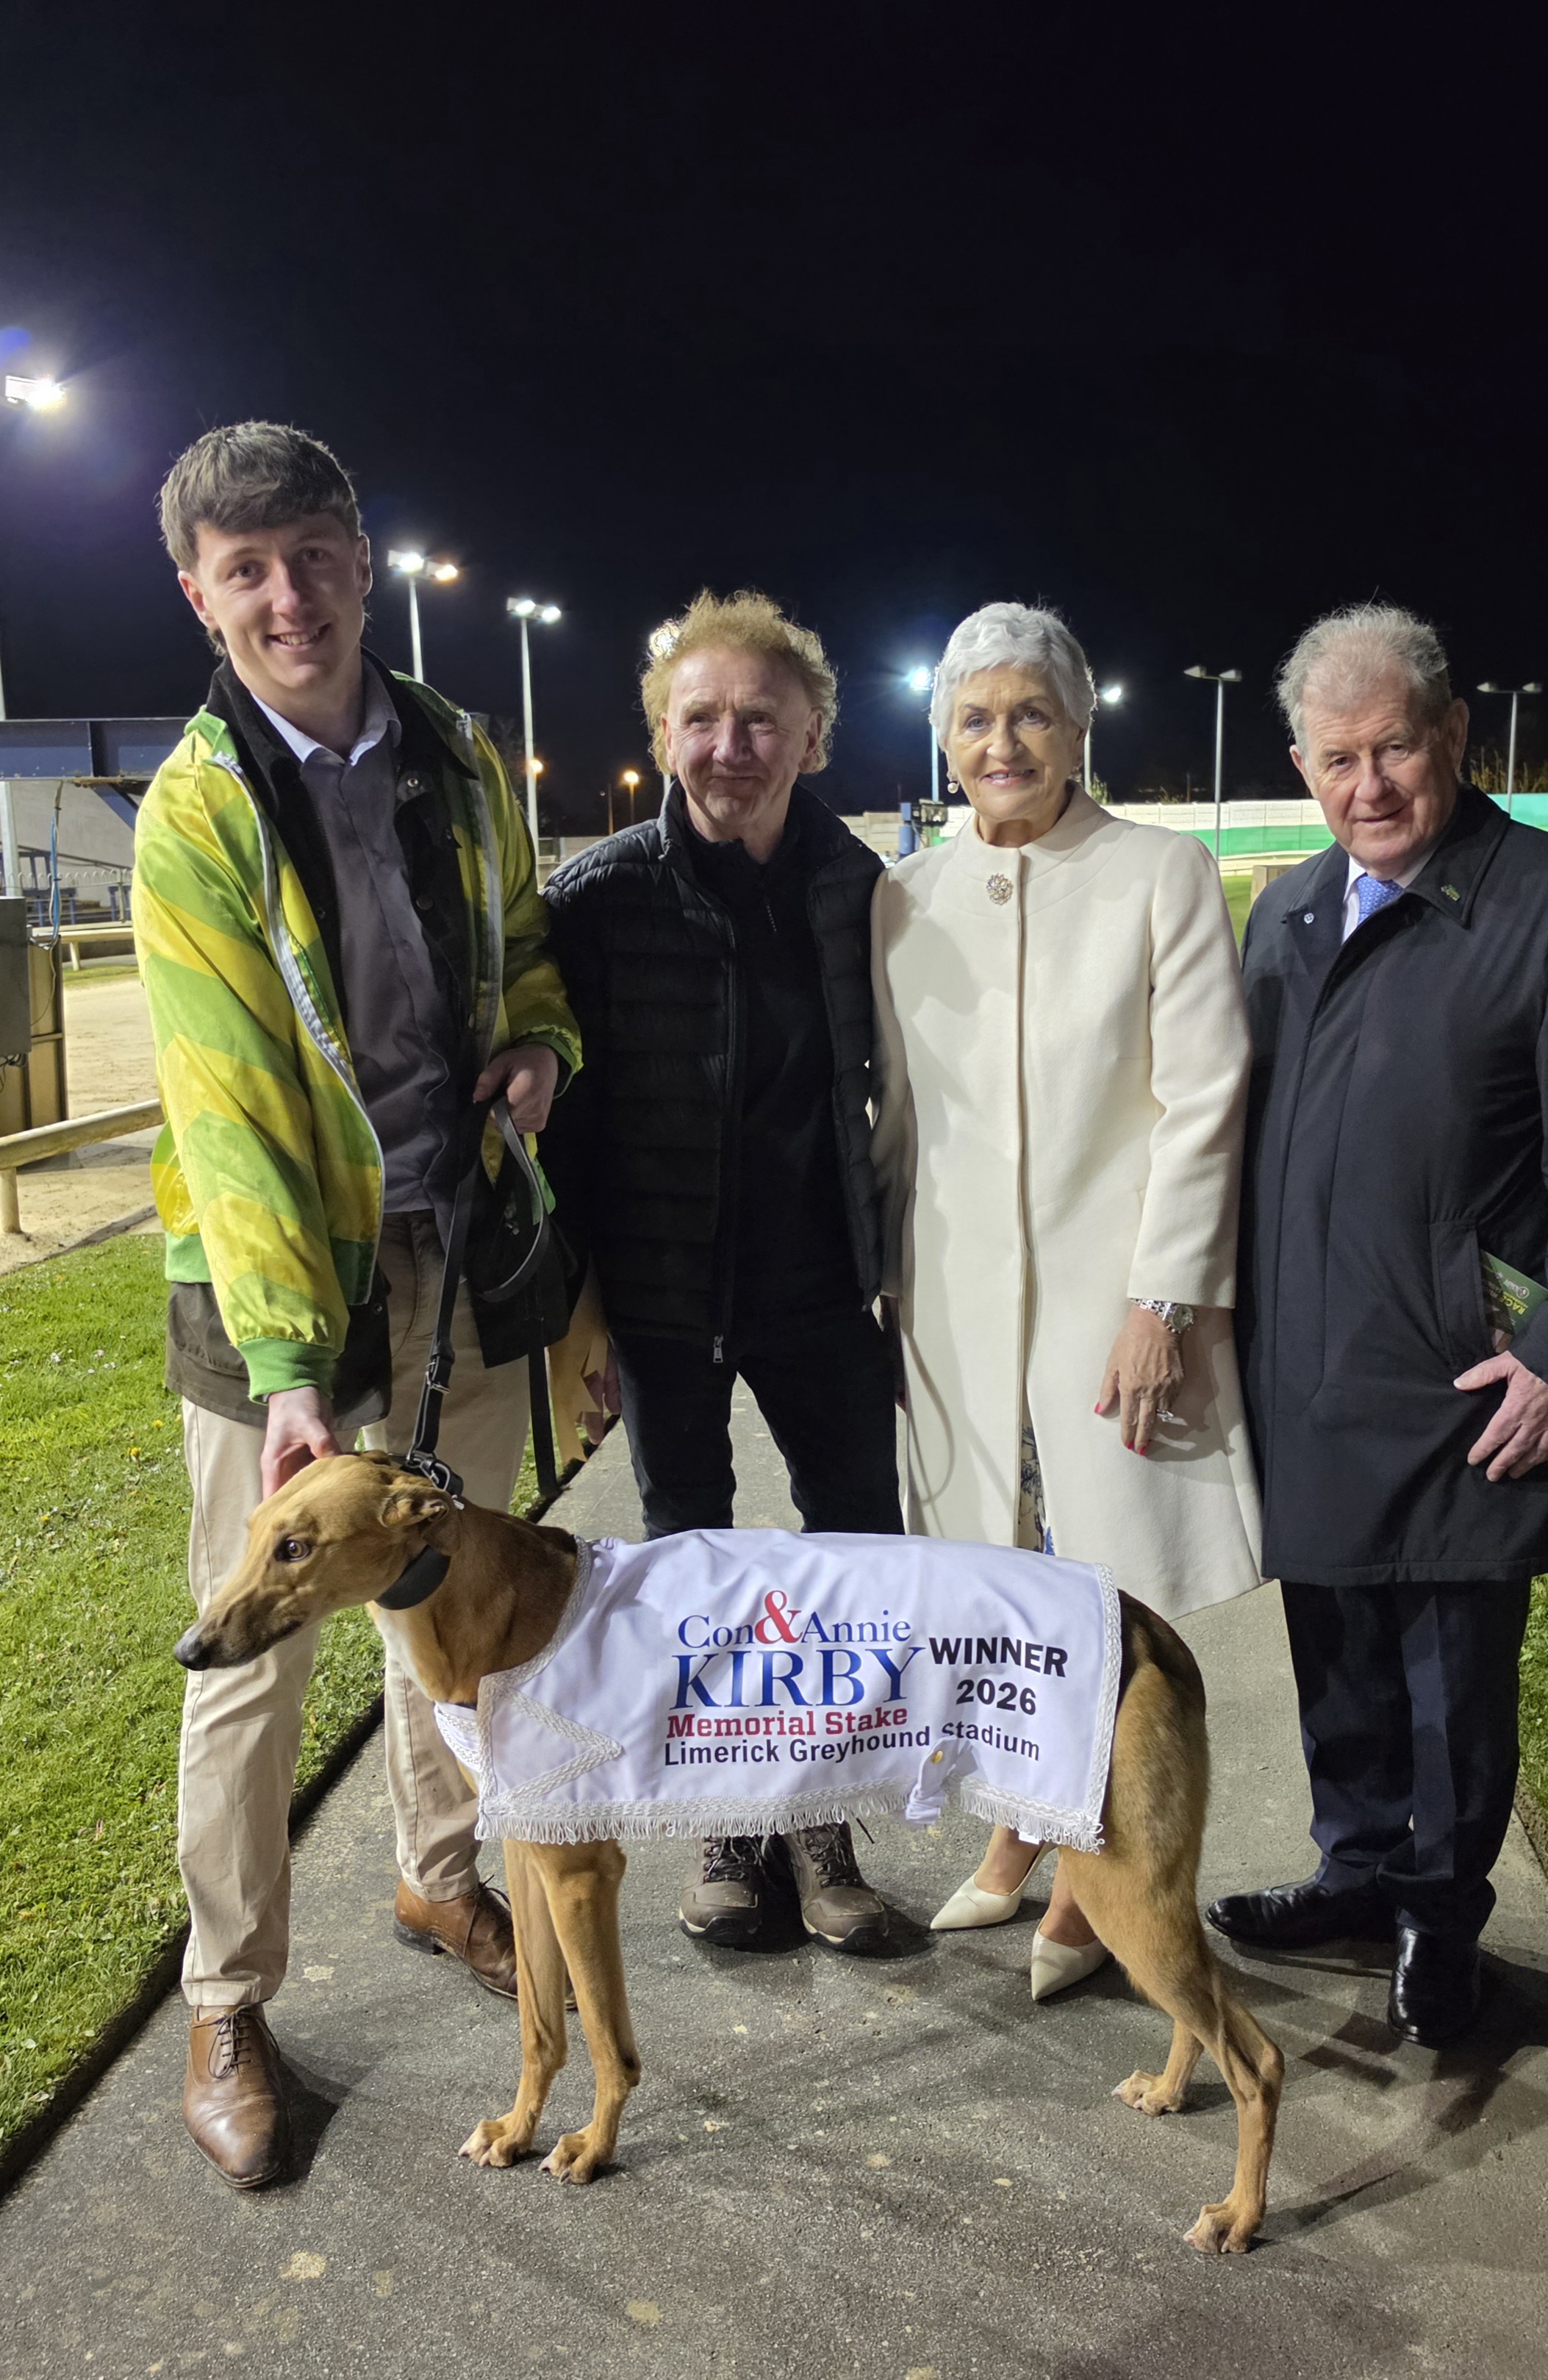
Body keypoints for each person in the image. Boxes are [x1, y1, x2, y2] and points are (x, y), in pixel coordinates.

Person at [135, 422, 581, 2187]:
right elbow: (229, 1109)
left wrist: (539, 1036)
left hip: (455, 1251)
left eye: (311, 553)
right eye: (244, 570)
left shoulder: (463, 751)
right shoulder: (192, 808)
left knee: (447, 1602)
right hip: (274, 1288)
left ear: (361, 554)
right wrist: (287, 1372)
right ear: (199, 596)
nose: (286, 594)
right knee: (250, 1647)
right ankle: (228, 1992)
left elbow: (521, 943)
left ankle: (438, 1871)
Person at [1208, 601, 1548, 2044]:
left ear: (1455, 736)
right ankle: (1356, 1873)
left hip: (1457, 1368)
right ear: (1298, 761)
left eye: (1394, 747)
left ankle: (1438, 1915)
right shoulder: (1282, 911)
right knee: (1334, 1638)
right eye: (1335, 757)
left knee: (1447, 1674)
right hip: (1304, 1366)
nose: (1367, 786)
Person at [870, 601, 1263, 1999]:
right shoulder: (905, 893)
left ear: (1080, 723)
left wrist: (1168, 1295)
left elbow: (1205, 1100)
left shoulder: (1162, 874)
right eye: (973, 718)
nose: (1002, 741)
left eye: (1030, 712)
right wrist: (885, 1279)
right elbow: (901, 1121)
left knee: (1107, 1594)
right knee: (1000, 1577)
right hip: (961, 1310)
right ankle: (1021, 1819)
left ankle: (1103, 1872)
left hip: (1115, 1302)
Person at [540, 589, 901, 1954]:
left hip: (823, 1287)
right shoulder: (597, 899)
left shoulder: (863, 890)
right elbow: (565, 1134)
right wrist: (580, 1321)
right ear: (663, 734)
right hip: (662, 1297)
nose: (731, 743)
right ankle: (729, 1821)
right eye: (703, 717)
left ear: (812, 735)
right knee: (690, 1555)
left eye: (762, 718)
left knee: (851, 1544)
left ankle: (826, 1819)